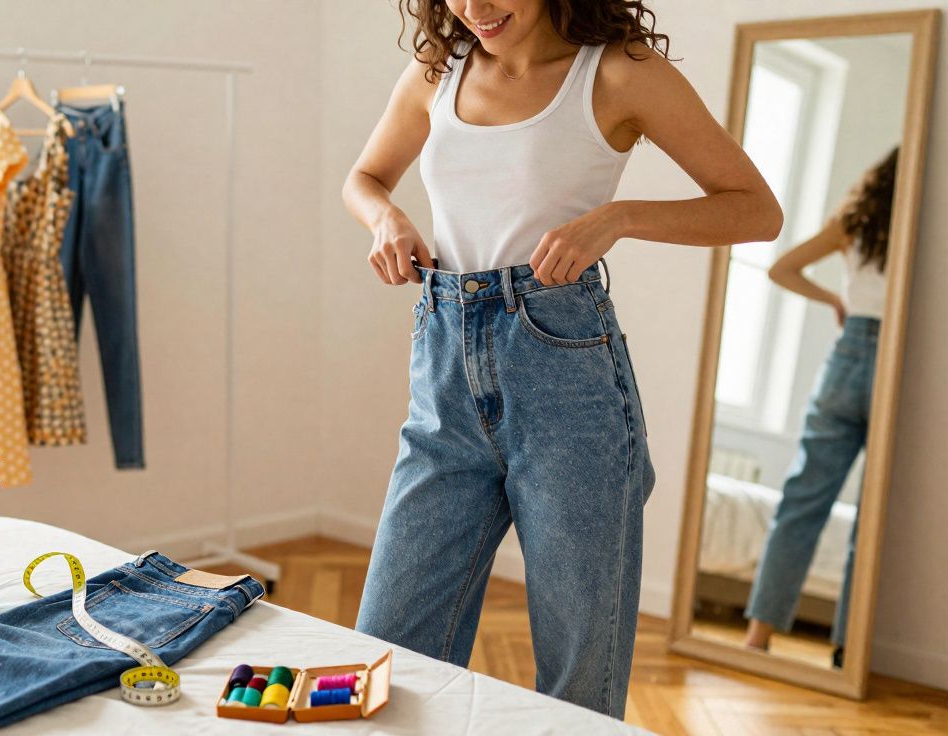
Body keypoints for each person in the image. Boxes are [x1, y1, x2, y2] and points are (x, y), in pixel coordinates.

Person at [341, 0, 782, 719]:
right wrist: (385, 216)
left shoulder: (618, 73)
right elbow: (363, 177)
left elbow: (756, 209)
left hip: (567, 380)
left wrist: (620, 217)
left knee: (578, 683)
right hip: (444, 375)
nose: (474, 9)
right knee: (386, 656)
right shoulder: (436, 72)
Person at [743, 148, 897, 669]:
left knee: (802, 501)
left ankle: (758, 636)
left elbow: (782, 269)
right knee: (872, 519)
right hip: (898, 367)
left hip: (848, 356)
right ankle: (847, 649)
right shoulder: (925, 232)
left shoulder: (856, 223)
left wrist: (838, 300)